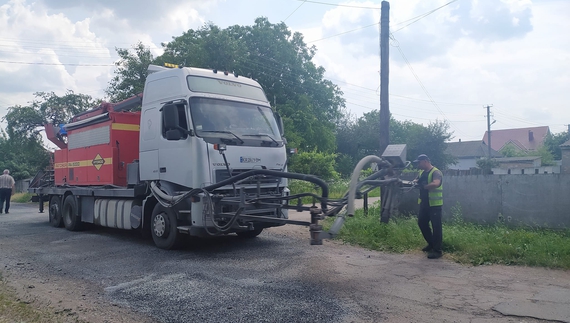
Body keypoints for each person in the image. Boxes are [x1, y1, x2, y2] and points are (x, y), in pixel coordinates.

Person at [413, 154, 444, 259]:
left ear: (425, 161)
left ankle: (437, 251)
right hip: (424, 204)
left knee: (436, 228)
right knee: (421, 223)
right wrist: (414, 183)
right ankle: (431, 244)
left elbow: (436, 183)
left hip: (434, 205)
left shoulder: (436, 172)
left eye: (419, 162)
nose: (418, 164)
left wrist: (425, 186)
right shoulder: (421, 172)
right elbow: (416, 180)